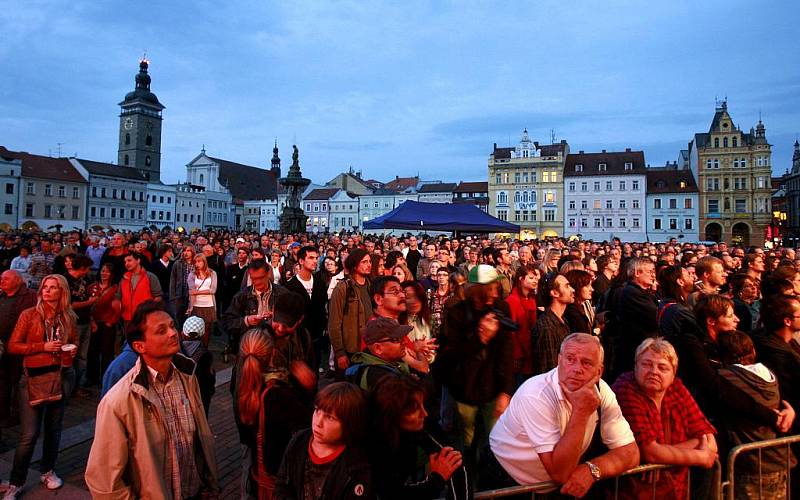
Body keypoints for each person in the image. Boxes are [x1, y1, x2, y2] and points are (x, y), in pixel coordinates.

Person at [85, 300, 219, 498]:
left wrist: (209, 482)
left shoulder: (188, 377)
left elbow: (198, 439)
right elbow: (104, 482)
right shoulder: (119, 400)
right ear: (140, 346)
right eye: (161, 331)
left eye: (173, 326)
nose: (173, 333)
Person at [488, 333, 640, 497]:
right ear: (559, 361)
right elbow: (560, 473)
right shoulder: (535, 394)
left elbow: (631, 454)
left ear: (599, 371)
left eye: (586, 363)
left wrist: (592, 469)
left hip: (550, 483)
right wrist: (581, 411)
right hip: (507, 478)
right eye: (570, 359)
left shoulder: (603, 391)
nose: (576, 369)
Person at [612, 338, 717, 499]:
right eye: (646, 364)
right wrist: (700, 457)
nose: (654, 371)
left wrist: (663, 456)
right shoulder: (625, 389)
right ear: (635, 366)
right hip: (635, 492)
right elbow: (650, 451)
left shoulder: (677, 388)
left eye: (662, 367)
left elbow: (709, 439)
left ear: (673, 373)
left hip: (677, 489)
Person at [4, 274, 79, 499]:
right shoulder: (29, 315)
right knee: (29, 435)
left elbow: (72, 342)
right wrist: (42, 346)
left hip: (60, 376)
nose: (46, 291)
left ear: (61, 292)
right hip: (33, 379)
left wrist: (71, 351)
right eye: (45, 287)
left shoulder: (68, 317)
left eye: (52, 287)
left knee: (53, 430)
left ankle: (48, 470)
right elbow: (13, 346)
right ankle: (16, 482)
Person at [437, 264, 514, 465]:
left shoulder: (501, 308)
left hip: (493, 387)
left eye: (496, 288)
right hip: (465, 389)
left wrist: (506, 392)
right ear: (476, 291)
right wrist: (480, 338)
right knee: (467, 441)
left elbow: (506, 354)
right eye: (489, 289)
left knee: (495, 440)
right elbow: (449, 355)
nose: (494, 293)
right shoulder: (456, 313)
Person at [718, 330, 796, 500]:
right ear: (752, 351)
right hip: (779, 457)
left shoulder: (728, 378)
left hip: (751, 462)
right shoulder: (770, 376)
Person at [234, 329, 312, 498]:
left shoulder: (243, 384)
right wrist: (306, 388)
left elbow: (246, 433)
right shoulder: (277, 394)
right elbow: (308, 426)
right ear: (272, 354)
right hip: (277, 476)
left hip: (257, 472)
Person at [368, 375, 470, 500]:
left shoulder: (420, 423)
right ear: (393, 414)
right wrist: (437, 479)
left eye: (423, 405)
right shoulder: (372, 445)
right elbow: (392, 494)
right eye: (415, 409)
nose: (424, 413)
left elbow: (454, 461)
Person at [275, 382, 373, 500]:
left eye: (330, 417)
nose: (318, 422)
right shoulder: (299, 441)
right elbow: (282, 485)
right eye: (317, 410)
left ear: (349, 424)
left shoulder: (356, 465)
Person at [222, 258, 291, 356]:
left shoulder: (283, 294)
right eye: (254, 278)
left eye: (261, 278)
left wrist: (278, 318)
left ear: (268, 274)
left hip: (276, 349)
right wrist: (246, 321)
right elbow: (227, 322)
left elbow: (294, 321)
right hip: (250, 349)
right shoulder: (241, 296)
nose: (257, 282)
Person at [328, 248, 373, 376]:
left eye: (369, 261)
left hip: (367, 349)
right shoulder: (343, 288)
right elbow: (334, 324)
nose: (369, 264)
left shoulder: (371, 286)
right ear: (354, 265)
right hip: (350, 349)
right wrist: (340, 353)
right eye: (364, 262)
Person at [612, 257, 658, 380]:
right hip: (634, 351)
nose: (653, 275)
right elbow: (655, 315)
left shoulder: (642, 292)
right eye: (649, 272)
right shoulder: (631, 292)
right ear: (637, 273)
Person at [0, 271, 36, 427]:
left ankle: (16, 414)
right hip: (3, 347)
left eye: (6, 279)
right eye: (1, 278)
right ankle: (3, 413)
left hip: (20, 346)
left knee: (18, 381)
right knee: (3, 381)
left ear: (18, 280)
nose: (2, 281)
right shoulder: (2, 296)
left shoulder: (30, 297)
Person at [285, 245, 329, 372]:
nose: (315, 261)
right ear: (301, 261)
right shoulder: (290, 287)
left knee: (314, 372)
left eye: (316, 258)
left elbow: (322, 308)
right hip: (297, 340)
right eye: (310, 258)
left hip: (316, 338)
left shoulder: (320, 283)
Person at [347, 317, 412, 391]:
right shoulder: (381, 378)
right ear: (378, 348)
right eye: (396, 339)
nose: (405, 342)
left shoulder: (389, 362)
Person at [532, 272, 574, 374]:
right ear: (555, 293)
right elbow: (548, 371)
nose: (573, 289)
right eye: (567, 286)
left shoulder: (562, 320)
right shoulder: (547, 327)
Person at [86, 262, 121, 385]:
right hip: (94, 323)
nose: (103, 273)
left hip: (108, 324)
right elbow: (87, 307)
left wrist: (111, 322)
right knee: (92, 351)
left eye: (107, 271)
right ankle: (91, 378)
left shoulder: (115, 289)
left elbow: (118, 307)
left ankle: (105, 378)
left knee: (107, 352)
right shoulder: (91, 287)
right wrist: (92, 321)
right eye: (102, 271)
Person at [505, 263, 538, 387]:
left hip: (530, 351)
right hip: (520, 355)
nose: (535, 280)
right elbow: (511, 331)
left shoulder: (531, 299)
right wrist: (516, 355)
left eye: (535, 278)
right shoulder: (512, 301)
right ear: (521, 279)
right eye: (531, 278)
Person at [181, 315, 216, 415]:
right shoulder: (205, 355)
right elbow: (209, 380)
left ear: (183, 333)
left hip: (182, 398)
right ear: (203, 334)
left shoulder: (176, 352)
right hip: (200, 399)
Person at [117, 251, 162, 328]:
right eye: (125, 262)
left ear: (138, 260)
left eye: (129, 260)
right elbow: (118, 297)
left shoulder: (150, 277)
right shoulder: (124, 278)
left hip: (145, 320)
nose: (126, 264)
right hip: (127, 320)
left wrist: (148, 311)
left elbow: (158, 297)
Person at [187, 253, 218, 347]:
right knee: (195, 328)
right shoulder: (192, 274)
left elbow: (213, 290)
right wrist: (191, 306)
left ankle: (205, 348)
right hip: (196, 305)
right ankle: (196, 348)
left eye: (199, 261)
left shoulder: (212, 273)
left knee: (207, 328)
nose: (197, 264)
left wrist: (197, 292)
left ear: (204, 262)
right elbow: (191, 291)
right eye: (195, 262)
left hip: (209, 305)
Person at [169, 244, 195, 328]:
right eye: (184, 251)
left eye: (188, 251)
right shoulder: (177, 264)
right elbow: (173, 280)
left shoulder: (196, 263)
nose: (186, 253)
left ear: (192, 252)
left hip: (193, 294)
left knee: (192, 316)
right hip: (180, 293)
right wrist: (172, 296)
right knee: (180, 316)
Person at [563, 269, 595, 335]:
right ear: (577, 287)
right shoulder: (572, 313)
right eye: (587, 286)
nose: (592, 289)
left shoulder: (580, 307)